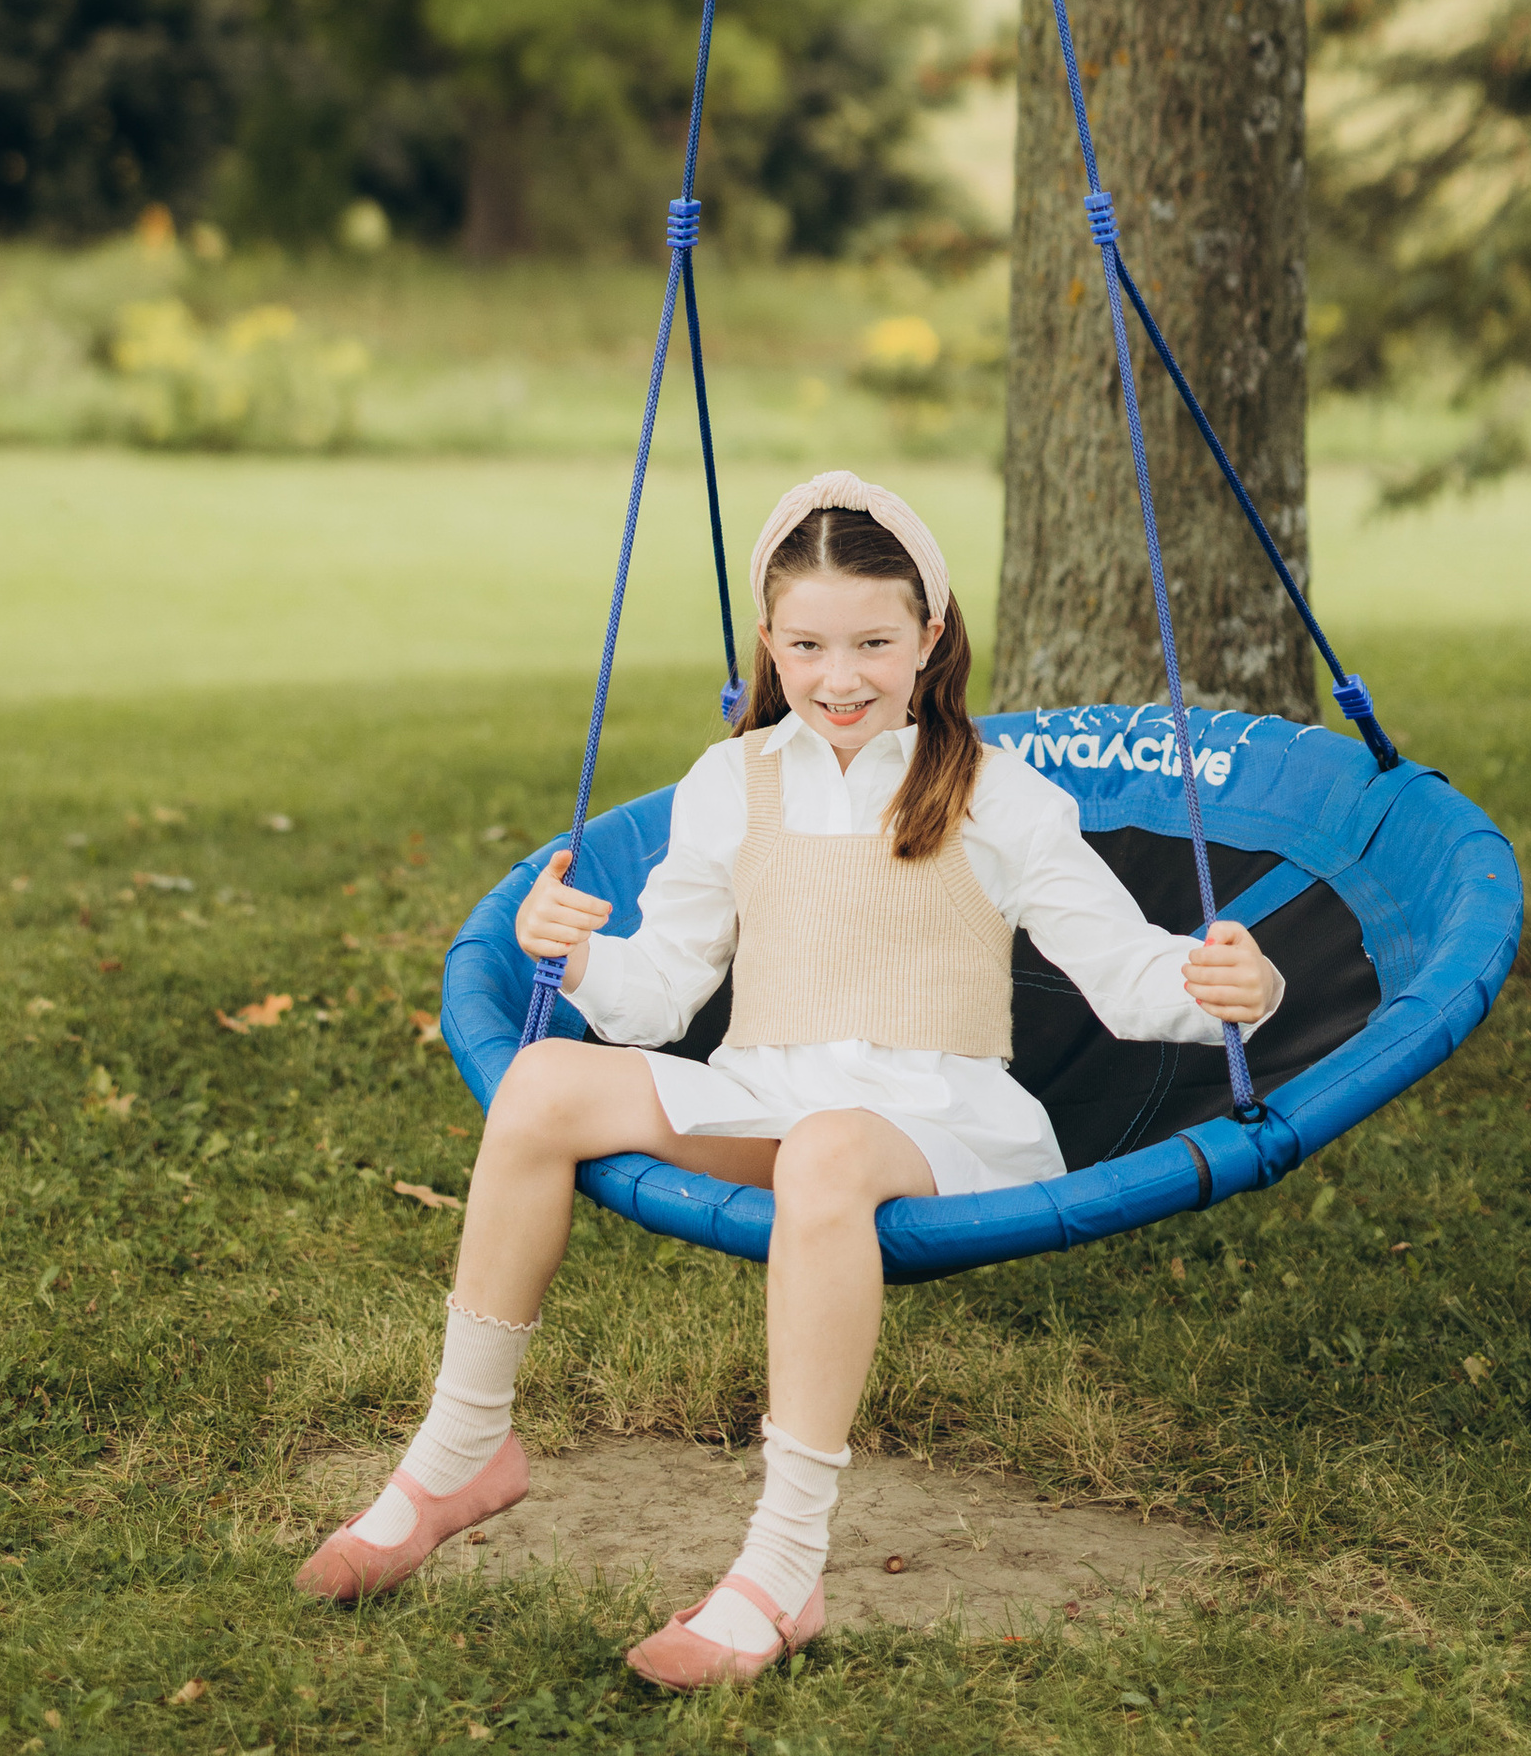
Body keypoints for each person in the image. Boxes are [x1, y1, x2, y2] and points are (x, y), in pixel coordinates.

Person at [298, 471, 1285, 1683]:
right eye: (809, 644)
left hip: (936, 1119)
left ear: (930, 637)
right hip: (769, 1090)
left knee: (828, 1144)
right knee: (546, 1082)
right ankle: (460, 1451)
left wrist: (1229, 983)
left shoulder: (993, 791)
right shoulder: (733, 783)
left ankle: (782, 1561)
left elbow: (1126, 967)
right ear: (768, 643)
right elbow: (660, 991)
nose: (841, 676)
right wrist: (577, 950)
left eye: (874, 641)